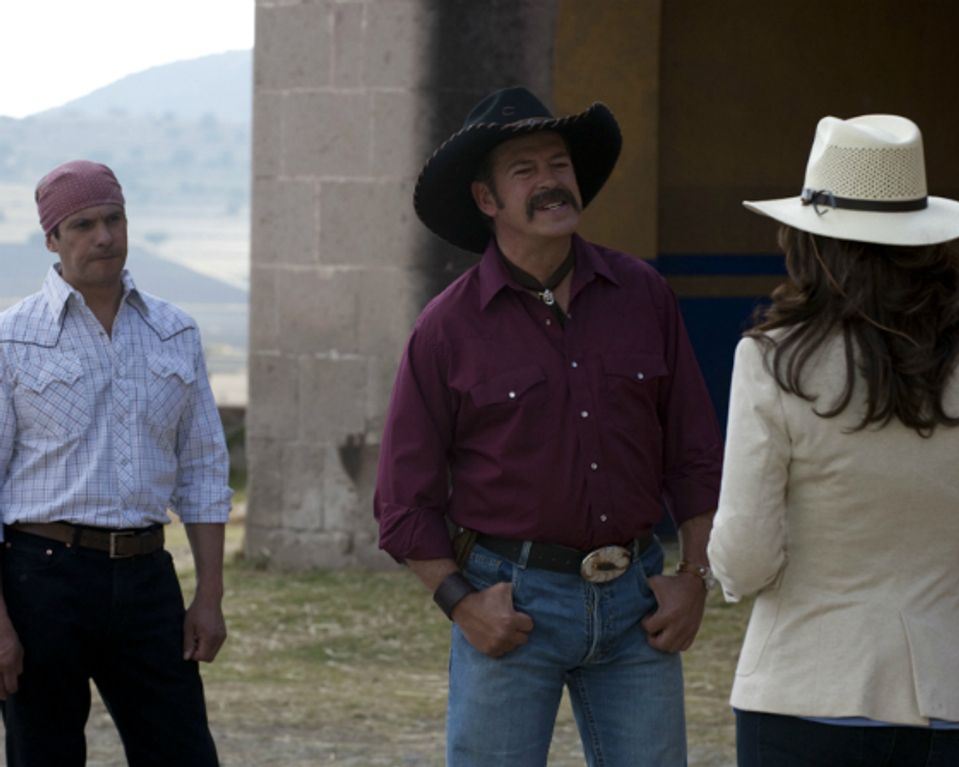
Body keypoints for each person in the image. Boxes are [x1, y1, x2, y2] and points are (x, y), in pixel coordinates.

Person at [374, 86, 722, 765]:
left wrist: (695, 577)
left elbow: (695, 453)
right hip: (510, 604)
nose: (550, 180)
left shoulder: (643, 296)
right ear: (486, 199)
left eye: (559, 163)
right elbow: (402, 500)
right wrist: (462, 604)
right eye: (525, 169)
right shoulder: (446, 328)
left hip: (637, 605)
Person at [708, 115, 959, 766]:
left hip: (806, 681)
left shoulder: (773, 360)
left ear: (811, 244)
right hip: (947, 687)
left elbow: (745, 555)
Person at [0, 160, 232, 766]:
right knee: (44, 755)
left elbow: (204, 473)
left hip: (146, 576)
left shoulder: (174, 332)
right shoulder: (11, 339)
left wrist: (209, 597)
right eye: (83, 225)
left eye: (114, 219)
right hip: (41, 579)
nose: (104, 237)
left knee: (183, 753)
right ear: (51, 239)